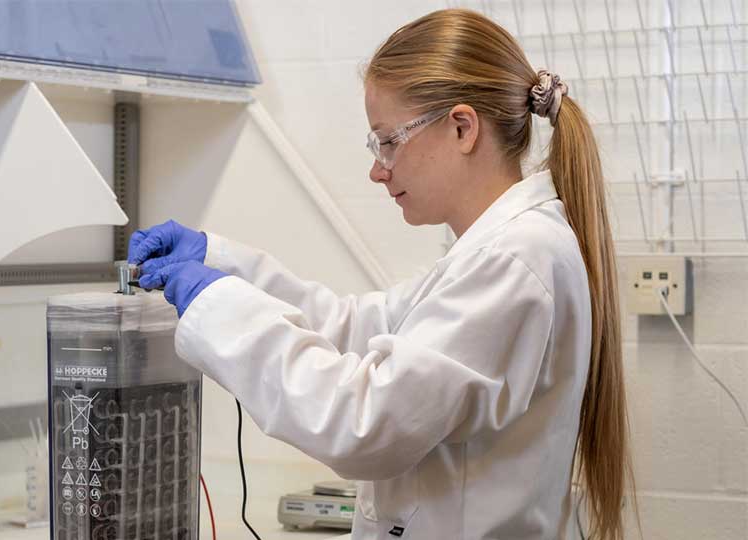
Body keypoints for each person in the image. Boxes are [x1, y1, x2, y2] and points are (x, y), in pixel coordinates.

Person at [128, 9, 633, 540]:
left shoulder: (514, 261)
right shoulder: (495, 252)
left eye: (388, 141)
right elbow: (358, 324)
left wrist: (222, 308)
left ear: (462, 127)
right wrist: (220, 263)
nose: (377, 169)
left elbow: (362, 423)